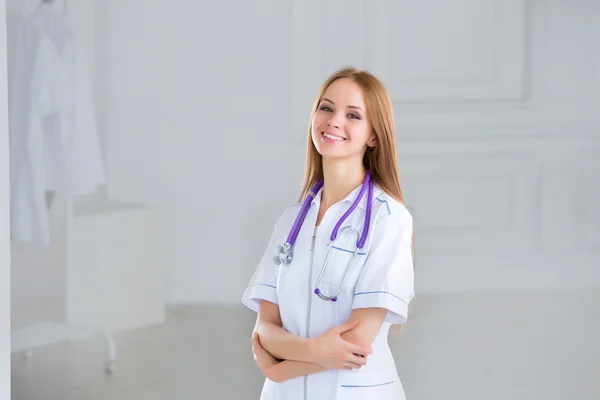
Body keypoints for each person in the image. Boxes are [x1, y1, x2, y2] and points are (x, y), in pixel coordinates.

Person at [241, 66, 415, 400]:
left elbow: (357, 344)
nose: (334, 121)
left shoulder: (388, 219)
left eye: (353, 115)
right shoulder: (291, 221)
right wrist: (316, 350)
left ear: (374, 136)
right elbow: (264, 331)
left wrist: (278, 368)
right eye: (326, 108)